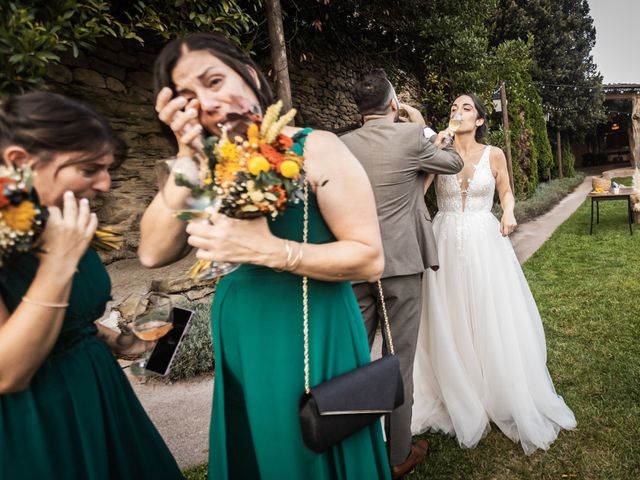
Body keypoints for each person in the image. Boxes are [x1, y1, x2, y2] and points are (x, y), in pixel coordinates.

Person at [139, 33, 391, 479]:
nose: (207, 102)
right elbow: (154, 252)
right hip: (242, 329)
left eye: (215, 81)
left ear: (252, 76)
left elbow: (369, 258)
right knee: (261, 445)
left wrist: (273, 250)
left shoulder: (316, 147)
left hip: (311, 322)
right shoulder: (205, 167)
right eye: (188, 99)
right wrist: (185, 155)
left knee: (308, 441)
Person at [0, 91, 184, 479]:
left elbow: (66, 322)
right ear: (20, 161)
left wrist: (121, 341)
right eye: (88, 169)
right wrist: (59, 262)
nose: (104, 183)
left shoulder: (53, 219)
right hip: (36, 424)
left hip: (101, 396)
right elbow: (7, 372)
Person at [411, 93, 577, 454]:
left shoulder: (495, 154)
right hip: (444, 241)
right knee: (449, 312)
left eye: (466, 108)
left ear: (481, 120)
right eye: (454, 108)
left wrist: (508, 212)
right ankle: (456, 386)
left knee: (489, 310)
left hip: (485, 242)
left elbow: (506, 192)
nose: (458, 112)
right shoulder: (439, 150)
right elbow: (418, 194)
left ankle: (494, 386)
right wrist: (432, 151)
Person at [340, 69, 464, 478]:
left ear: (359, 109)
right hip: (401, 267)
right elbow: (454, 162)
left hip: (356, 267)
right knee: (398, 362)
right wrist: (422, 126)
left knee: (356, 362)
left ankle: (354, 451)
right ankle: (397, 456)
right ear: (393, 104)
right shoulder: (411, 137)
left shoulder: (341, 146)